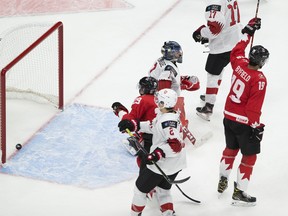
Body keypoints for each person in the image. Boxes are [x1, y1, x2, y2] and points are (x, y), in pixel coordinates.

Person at [217, 17, 269, 206]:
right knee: (249, 156)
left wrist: (248, 32)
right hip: (244, 122)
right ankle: (239, 192)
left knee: (230, 149)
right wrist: (257, 127)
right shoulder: (259, 79)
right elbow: (253, 108)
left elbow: (237, 50)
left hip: (228, 116)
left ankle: (223, 178)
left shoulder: (239, 64)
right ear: (262, 61)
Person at [118, 88, 186, 216]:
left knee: (140, 189)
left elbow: (175, 146)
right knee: (163, 191)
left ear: (163, 103)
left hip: (164, 164)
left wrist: (156, 154)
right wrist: (134, 125)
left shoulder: (168, 121)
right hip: (176, 165)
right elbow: (152, 126)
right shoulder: (167, 116)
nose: (156, 101)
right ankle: (168, 213)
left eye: (159, 100)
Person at [192, 0, 242, 121]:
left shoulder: (215, 2)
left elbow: (215, 30)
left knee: (212, 74)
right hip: (235, 40)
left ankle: (209, 106)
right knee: (219, 70)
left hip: (222, 45)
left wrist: (201, 33)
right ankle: (211, 95)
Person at [148, 40, 200, 143]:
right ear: (170, 54)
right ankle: (171, 138)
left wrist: (179, 82)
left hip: (154, 93)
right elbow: (164, 87)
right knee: (173, 122)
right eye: (176, 53)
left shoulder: (162, 61)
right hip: (164, 99)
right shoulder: (168, 68)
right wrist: (170, 107)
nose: (179, 54)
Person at [112, 76, 158, 172]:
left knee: (144, 164)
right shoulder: (161, 99)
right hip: (161, 135)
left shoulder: (143, 99)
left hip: (149, 137)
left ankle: (149, 184)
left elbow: (130, 119)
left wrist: (119, 111)